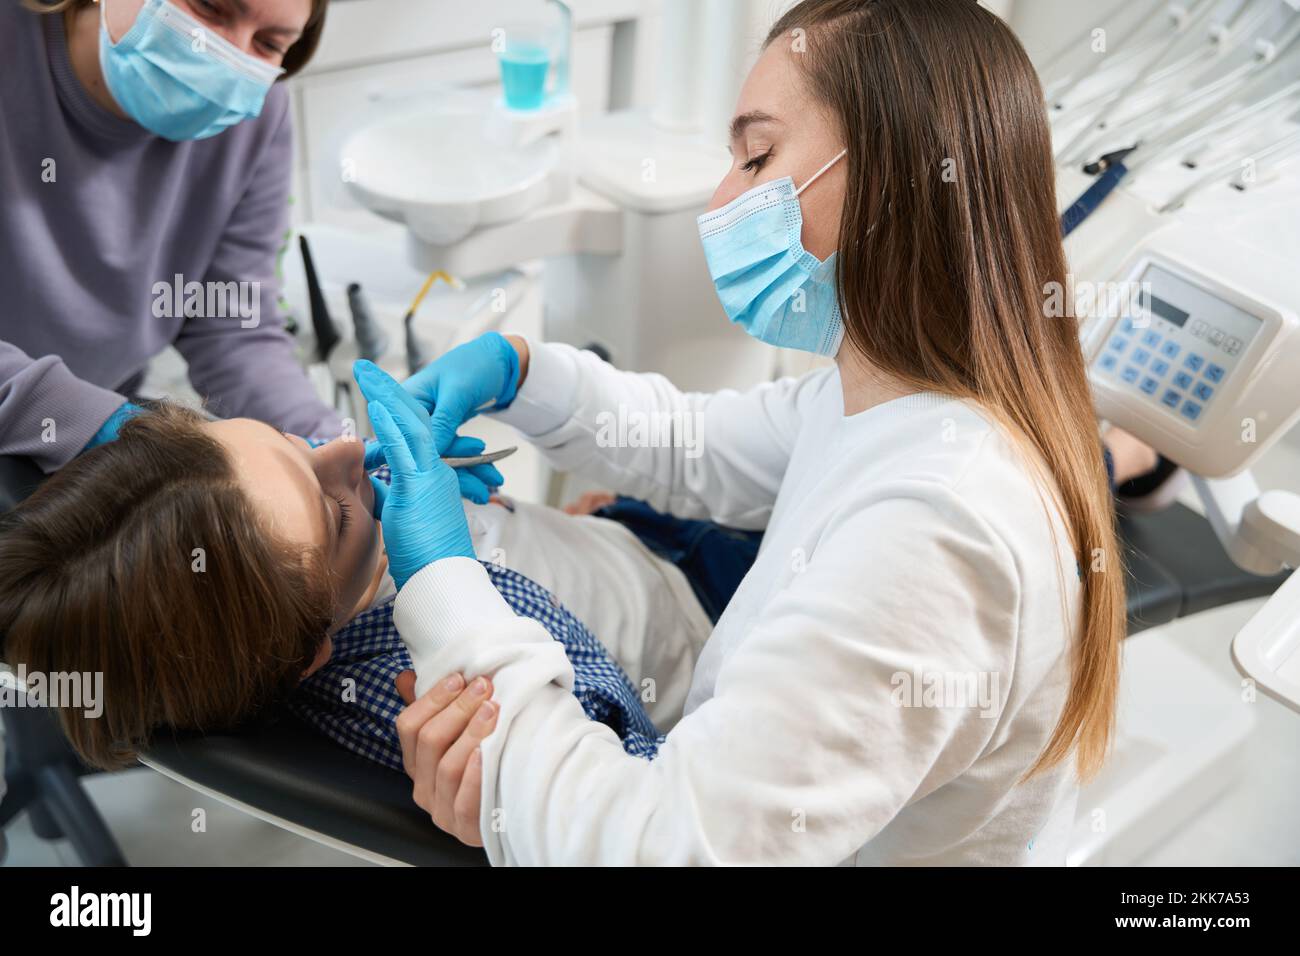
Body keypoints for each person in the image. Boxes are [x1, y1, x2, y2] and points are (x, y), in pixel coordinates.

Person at [359, 0, 1128, 865]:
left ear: (899, 172)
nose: (722, 199)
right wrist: (522, 371)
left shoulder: (939, 527)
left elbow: (663, 851)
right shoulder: (884, 397)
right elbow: (693, 445)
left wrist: (440, 582)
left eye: (757, 155)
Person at [0, 401, 712, 770]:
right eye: (332, 512)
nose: (346, 447)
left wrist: (556, 530)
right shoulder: (420, 704)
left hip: (631, 543)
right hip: (704, 651)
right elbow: (625, 793)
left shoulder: (340, 564)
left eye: (293, 443)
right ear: (309, 652)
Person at [1, 0, 339, 473]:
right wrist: (103, 425)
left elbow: (229, 326)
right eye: (210, 8)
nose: (227, 57)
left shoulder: (253, 117)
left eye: (269, 44)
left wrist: (330, 446)